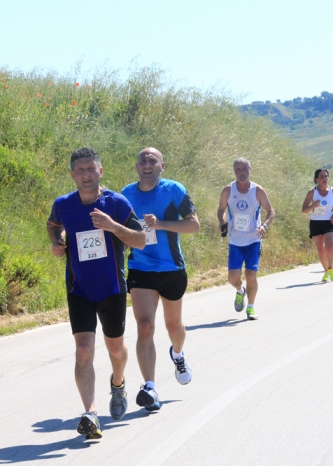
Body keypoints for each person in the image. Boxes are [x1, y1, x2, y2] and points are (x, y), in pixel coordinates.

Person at [46, 147, 146, 439]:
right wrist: (58, 241)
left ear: (100, 171)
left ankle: (118, 384)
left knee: (116, 348)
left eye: (91, 169)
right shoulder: (64, 204)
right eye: (80, 170)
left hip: (112, 288)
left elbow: (140, 240)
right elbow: (53, 225)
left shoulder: (116, 203)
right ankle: (90, 413)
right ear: (72, 175)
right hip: (79, 289)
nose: (86, 175)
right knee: (84, 351)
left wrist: (112, 226)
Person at [121, 147, 200, 412]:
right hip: (140, 268)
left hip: (171, 268)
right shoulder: (126, 195)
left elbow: (193, 225)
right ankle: (150, 387)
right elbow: (120, 233)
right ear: (136, 166)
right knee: (145, 326)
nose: (147, 165)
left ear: (161, 166)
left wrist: (162, 224)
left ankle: (177, 354)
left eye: (152, 161)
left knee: (174, 328)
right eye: (142, 160)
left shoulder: (173, 190)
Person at [217, 158, 275, 320]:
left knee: (251, 274)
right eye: (238, 170)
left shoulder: (258, 191)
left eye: (244, 169)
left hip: (253, 240)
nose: (241, 173)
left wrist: (264, 226)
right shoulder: (228, 190)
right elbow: (221, 209)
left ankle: (250, 307)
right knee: (233, 278)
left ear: (250, 170)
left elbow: (271, 212)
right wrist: (222, 222)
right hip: (235, 240)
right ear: (234, 172)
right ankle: (240, 291)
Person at [301, 168, 333, 282]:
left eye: (326, 176)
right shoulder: (312, 192)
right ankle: (325, 272)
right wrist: (312, 206)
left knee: (329, 246)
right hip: (315, 223)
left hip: (329, 222)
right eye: (322, 177)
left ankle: (331, 269)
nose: (325, 179)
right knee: (320, 250)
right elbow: (303, 209)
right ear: (317, 179)